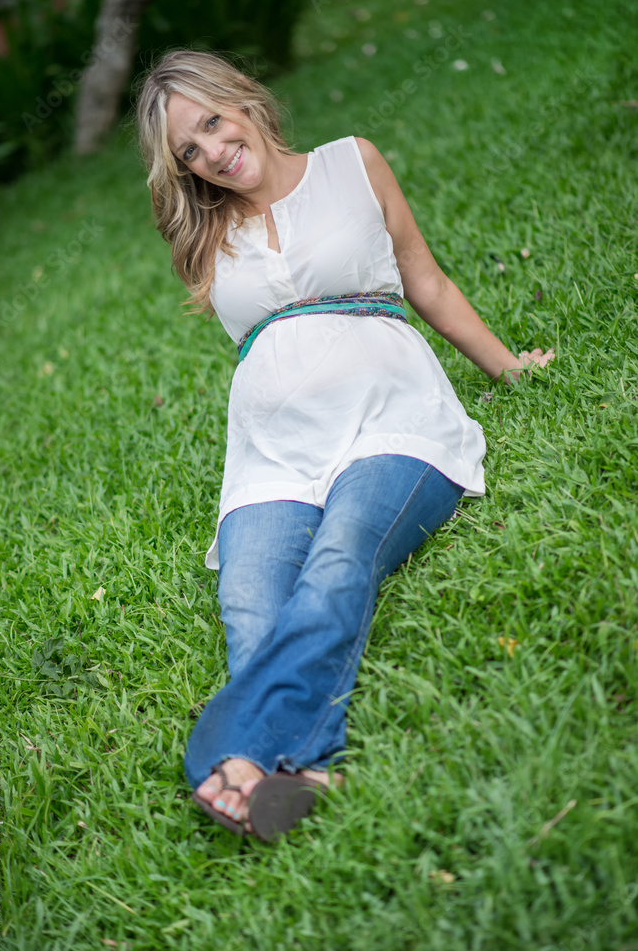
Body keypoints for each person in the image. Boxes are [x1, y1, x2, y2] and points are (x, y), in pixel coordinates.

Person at [136, 49, 554, 842]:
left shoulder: (350, 163)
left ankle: (225, 758)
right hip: (272, 457)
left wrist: (507, 368)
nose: (213, 151)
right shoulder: (208, 232)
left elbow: (425, 280)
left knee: (340, 555)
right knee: (249, 601)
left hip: (392, 421)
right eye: (189, 150)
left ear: (243, 100)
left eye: (213, 122)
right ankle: (305, 769)